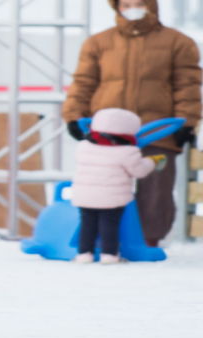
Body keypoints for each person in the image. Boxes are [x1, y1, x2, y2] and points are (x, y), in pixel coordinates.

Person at [63, 0, 201, 247]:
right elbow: (83, 82)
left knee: (156, 189)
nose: (131, 9)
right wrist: (74, 116)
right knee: (104, 185)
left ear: (150, 3)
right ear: (117, 7)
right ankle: (103, 239)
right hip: (107, 134)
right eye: (125, 4)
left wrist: (186, 123)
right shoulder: (98, 43)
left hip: (157, 129)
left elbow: (188, 85)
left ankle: (148, 239)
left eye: (138, 2)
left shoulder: (178, 42)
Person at [71, 108, 166, 264]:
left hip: (85, 194)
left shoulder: (83, 146)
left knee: (87, 224)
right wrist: (152, 161)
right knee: (109, 225)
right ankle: (109, 255)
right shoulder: (128, 151)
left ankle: (84, 254)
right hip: (112, 197)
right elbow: (139, 171)